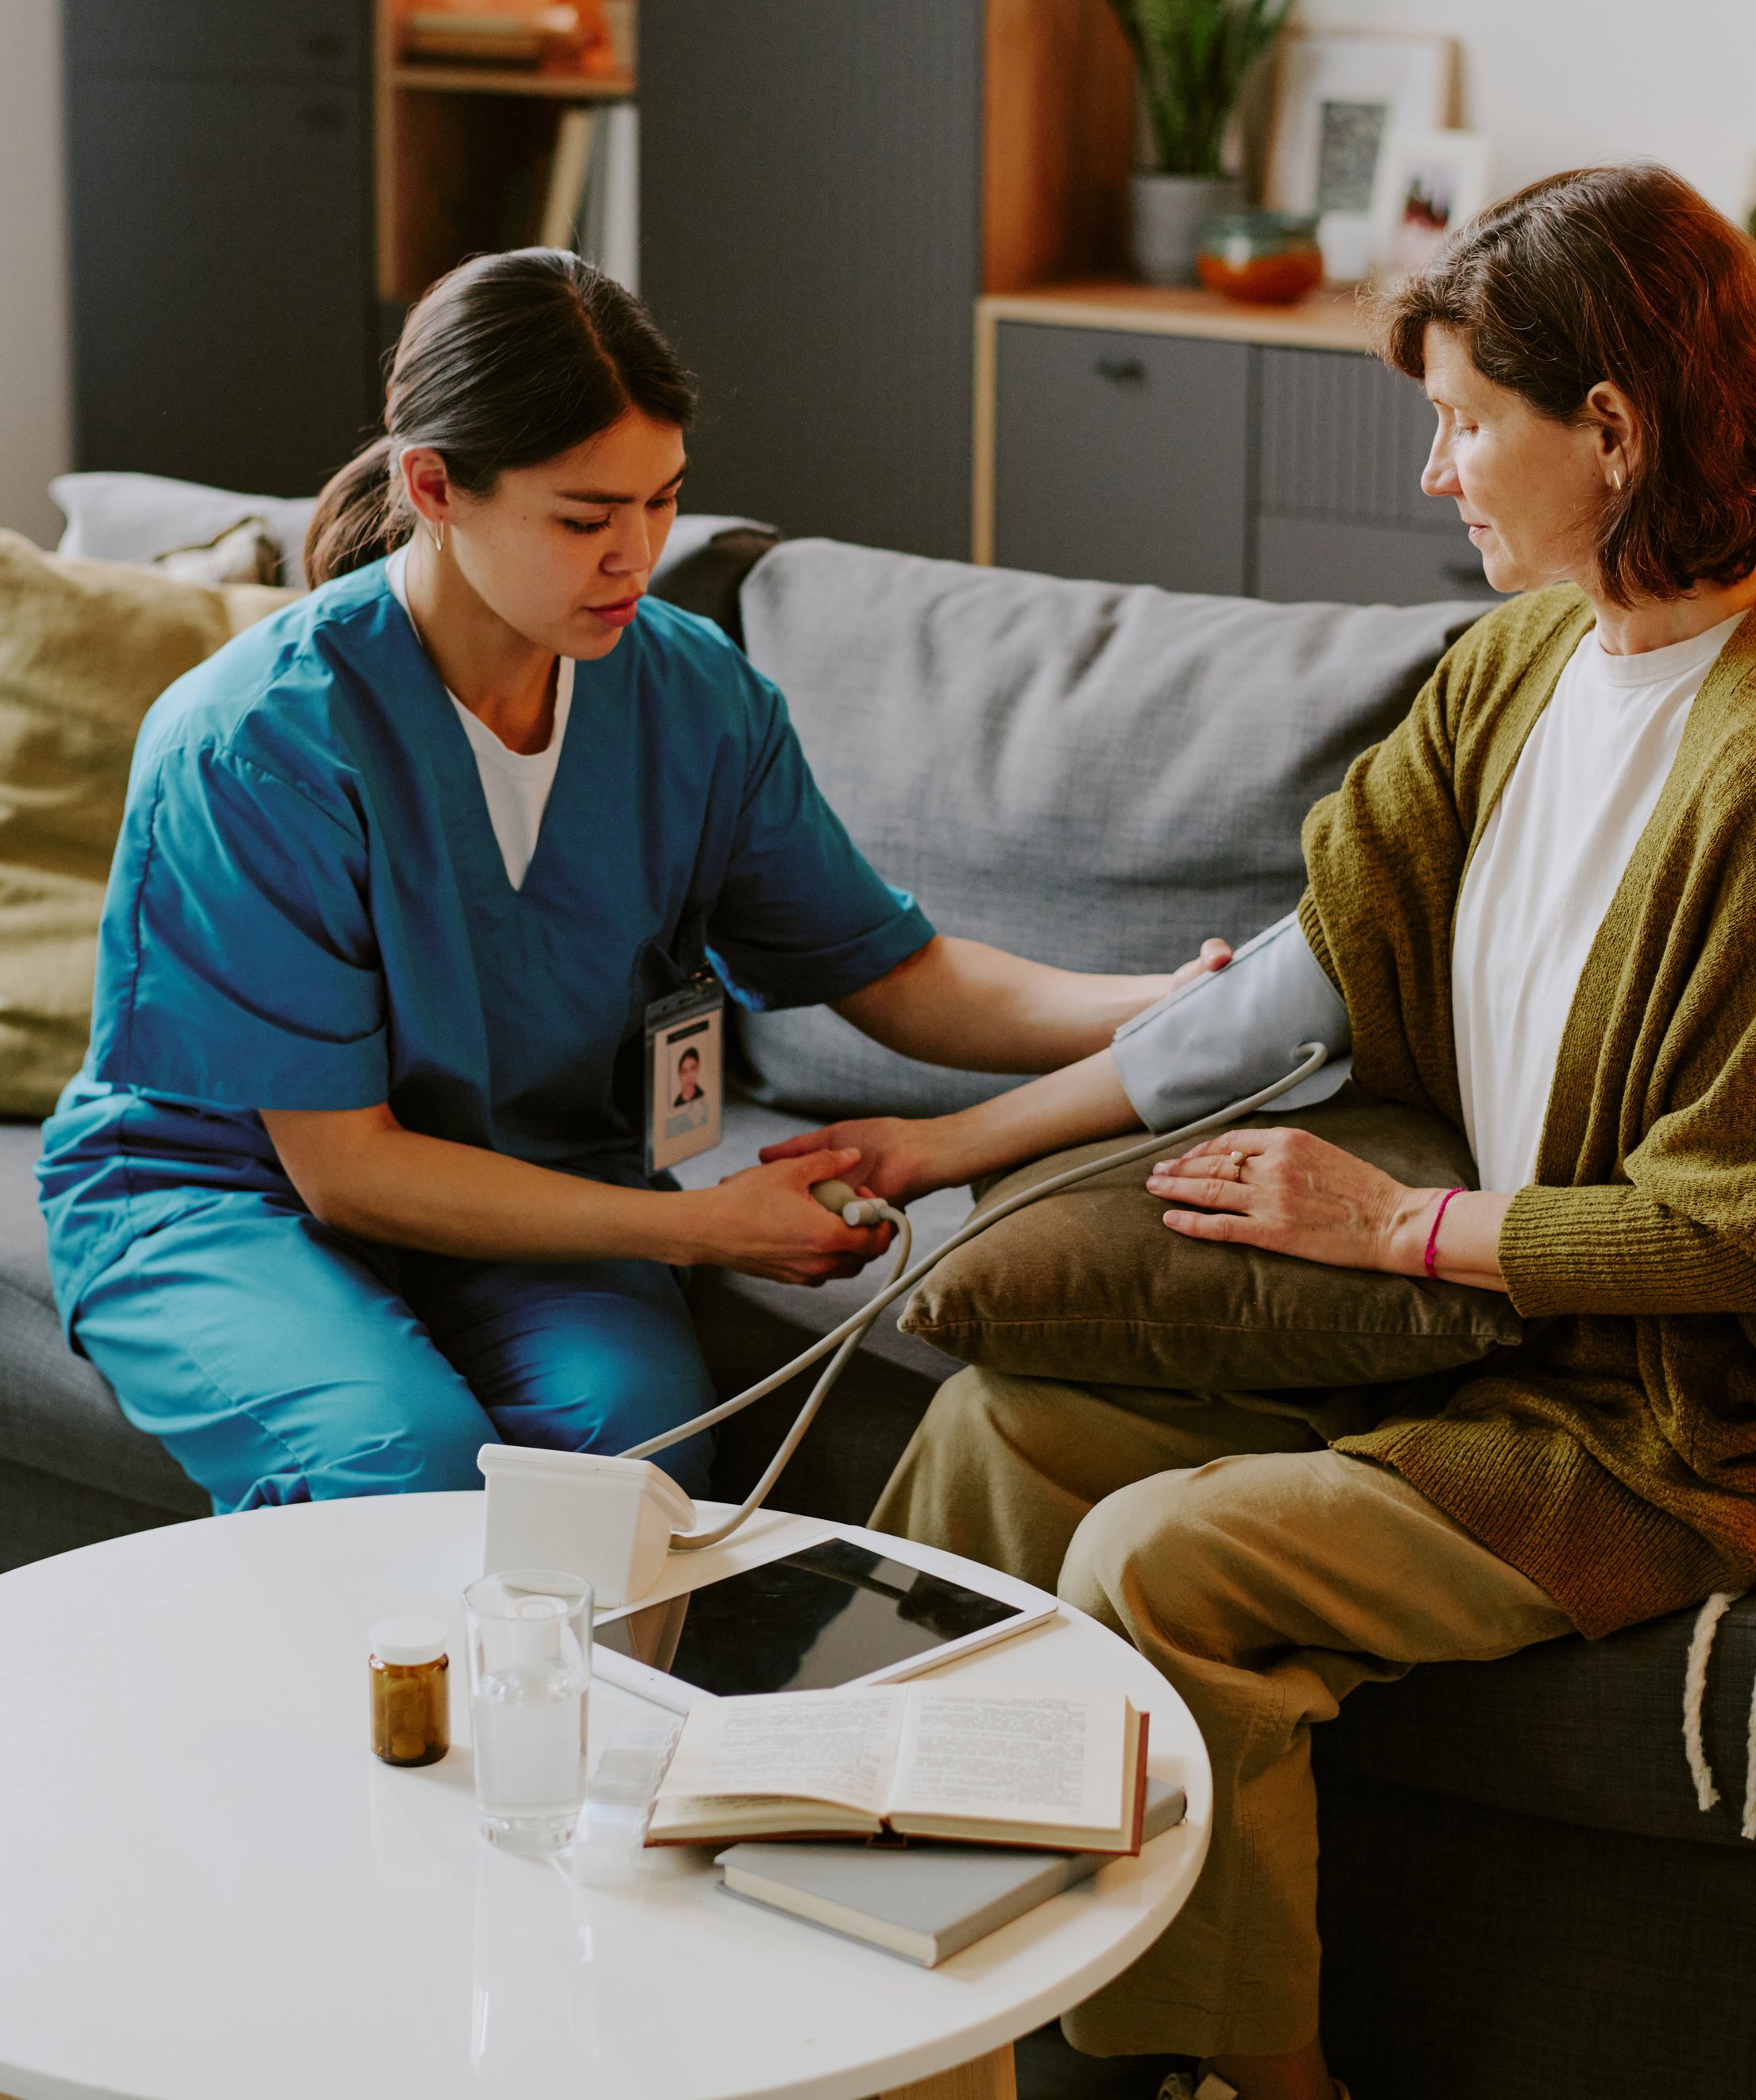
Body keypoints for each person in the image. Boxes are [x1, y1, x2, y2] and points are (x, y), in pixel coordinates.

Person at [779, 164, 1756, 2100]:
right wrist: (958, 1137)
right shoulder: (1521, 667)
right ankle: (898, 1968)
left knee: (1164, 1560)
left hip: (1665, 1433)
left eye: (1469, 420)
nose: (1435, 471)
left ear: (1614, 433)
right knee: (993, 1440)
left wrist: (1402, 1228)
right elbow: (1303, 979)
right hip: (1492, 1348)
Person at [37, 249, 1227, 1515]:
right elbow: (347, 1172)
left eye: (662, 501)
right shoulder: (259, 741)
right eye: (584, 517)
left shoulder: (692, 696)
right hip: (232, 1196)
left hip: (541, 1176)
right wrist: (706, 1228)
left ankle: (624, 1722)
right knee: (394, 1460)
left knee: (632, 1455)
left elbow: (900, 976)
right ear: (433, 486)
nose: (638, 556)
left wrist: (1162, 1002)